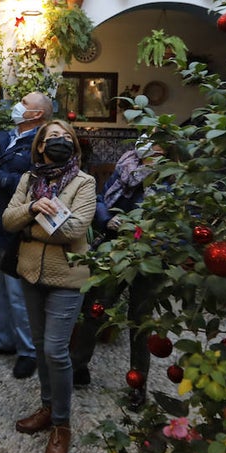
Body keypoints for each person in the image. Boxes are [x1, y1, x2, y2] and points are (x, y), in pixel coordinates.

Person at [2, 119, 96, 453]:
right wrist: (31, 208)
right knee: (41, 347)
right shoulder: (29, 180)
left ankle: (61, 424)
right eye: (52, 136)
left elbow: (74, 230)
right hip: (31, 274)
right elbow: (7, 219)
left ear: (74, 145)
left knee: (56, 350)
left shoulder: (84, 182)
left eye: (66, 137)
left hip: (67, 277)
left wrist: (29, 229)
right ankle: (47, 407)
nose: (60, 140)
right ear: (40, 146)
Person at [71, 139, 160, 410]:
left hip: (149, 257)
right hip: (114, 250)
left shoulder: (170, 178)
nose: (148, 142)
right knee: (96, 309)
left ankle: (138, 383)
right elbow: (101, 199)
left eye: (156, 140)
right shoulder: (126, 166)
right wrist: (106, 218)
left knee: (140, 321)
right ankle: (78, 366)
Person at [0, 92, 53, 379]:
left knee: (18, 293)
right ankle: (2, 339)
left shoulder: (42, 143)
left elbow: (40, 183)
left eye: (25, 103)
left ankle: (28, 351)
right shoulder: (5, 137)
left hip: (18, 228)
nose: (18, 105)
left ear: (37, 114)